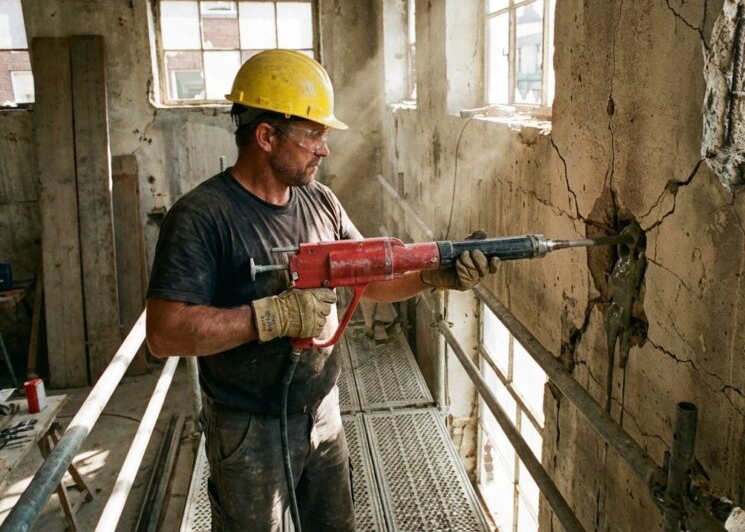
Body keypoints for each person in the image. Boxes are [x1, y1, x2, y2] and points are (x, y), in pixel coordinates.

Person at [145, 49, 499, 532]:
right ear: (266, 136)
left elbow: (368, 278)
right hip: (248, 426)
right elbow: (165, 333)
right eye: (312, 135)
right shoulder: (202, 218)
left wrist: (432, 276)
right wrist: (270, 317)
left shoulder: (320, 200)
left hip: (323, 410)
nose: (324, 150)